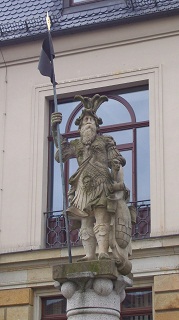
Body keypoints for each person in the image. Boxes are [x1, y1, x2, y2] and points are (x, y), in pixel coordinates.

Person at [51, 94, 126, 261]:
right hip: (82, 188)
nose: (88, 123)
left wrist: (115, 165)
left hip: (101, 184)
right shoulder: (76, 144)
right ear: (80, 126)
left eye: (91, 121)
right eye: (85, 121)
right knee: (85, 223)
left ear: (97, 125)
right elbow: (61, 154)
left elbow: (117, 159)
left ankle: (103, 252)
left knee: (101, 218)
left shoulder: (105, 141)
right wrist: (54, 129)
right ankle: (89, 254)